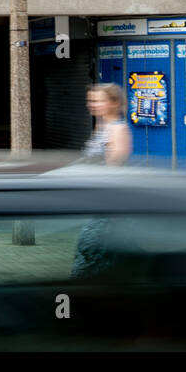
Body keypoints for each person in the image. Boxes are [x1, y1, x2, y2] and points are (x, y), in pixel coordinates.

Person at [71, 83, 133, 278]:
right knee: (107, 254)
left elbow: (115, 168)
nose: (92, 104)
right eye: (90, 100)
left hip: (109, 204)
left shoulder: (118, 129)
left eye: (98, 100)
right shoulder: (101, 126)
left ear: (114, 103)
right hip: (100, 201)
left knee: (88, 250)